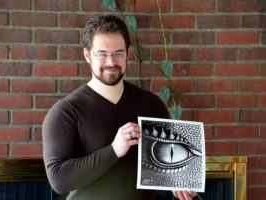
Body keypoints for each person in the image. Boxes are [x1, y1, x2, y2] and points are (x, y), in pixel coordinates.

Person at [42, 15, 196, 200]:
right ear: (87, 55)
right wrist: (114, 149)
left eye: (118, 53)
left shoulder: (152, 104)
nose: (111, 62)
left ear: (127, 53)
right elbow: (59, 181)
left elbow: (166, 167)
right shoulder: (66, 112)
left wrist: (179, 182)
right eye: (102, 54)